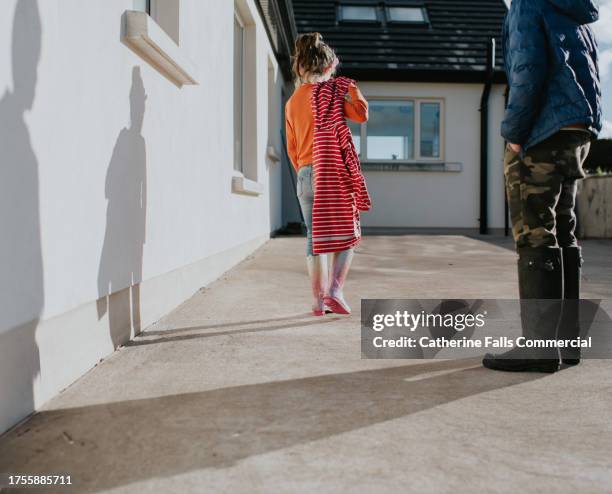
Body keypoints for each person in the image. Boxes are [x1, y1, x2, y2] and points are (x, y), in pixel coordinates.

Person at [483, 0, 602, 372]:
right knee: (562, 232)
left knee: (535, 234)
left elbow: (527, 69)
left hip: (542, 132)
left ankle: (539, 348)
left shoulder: (528, 4)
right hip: (576, 131)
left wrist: (515, 134)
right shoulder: (574, 9)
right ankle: (567, 344)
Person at [285, 33, 371, 316]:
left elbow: (292, 147)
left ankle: (317, 301)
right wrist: (351, 88)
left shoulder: (292, 101)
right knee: (348, 233)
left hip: (305, 175)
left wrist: (304, 173)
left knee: (315, 238)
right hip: (330, 172)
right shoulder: (333, 95)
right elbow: (360, 113)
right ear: (327, 68)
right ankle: (334, 291)